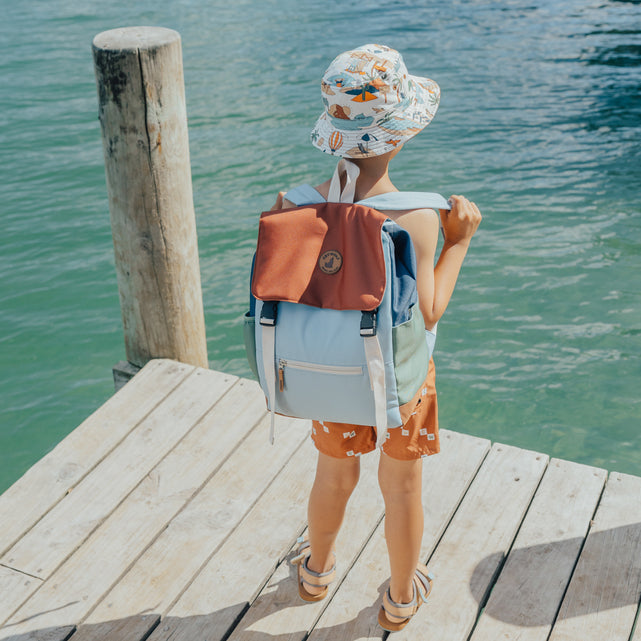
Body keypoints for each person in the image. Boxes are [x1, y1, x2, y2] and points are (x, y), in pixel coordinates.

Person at [272, 44, 482, 631]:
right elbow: (430, 311)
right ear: (400, 134)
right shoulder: (414, 215)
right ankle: (399, 597)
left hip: (330, 377)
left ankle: (315, 571)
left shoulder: (293, 205)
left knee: (333, 474)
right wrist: (460, 240)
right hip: (399, 384)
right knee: (403, 487)